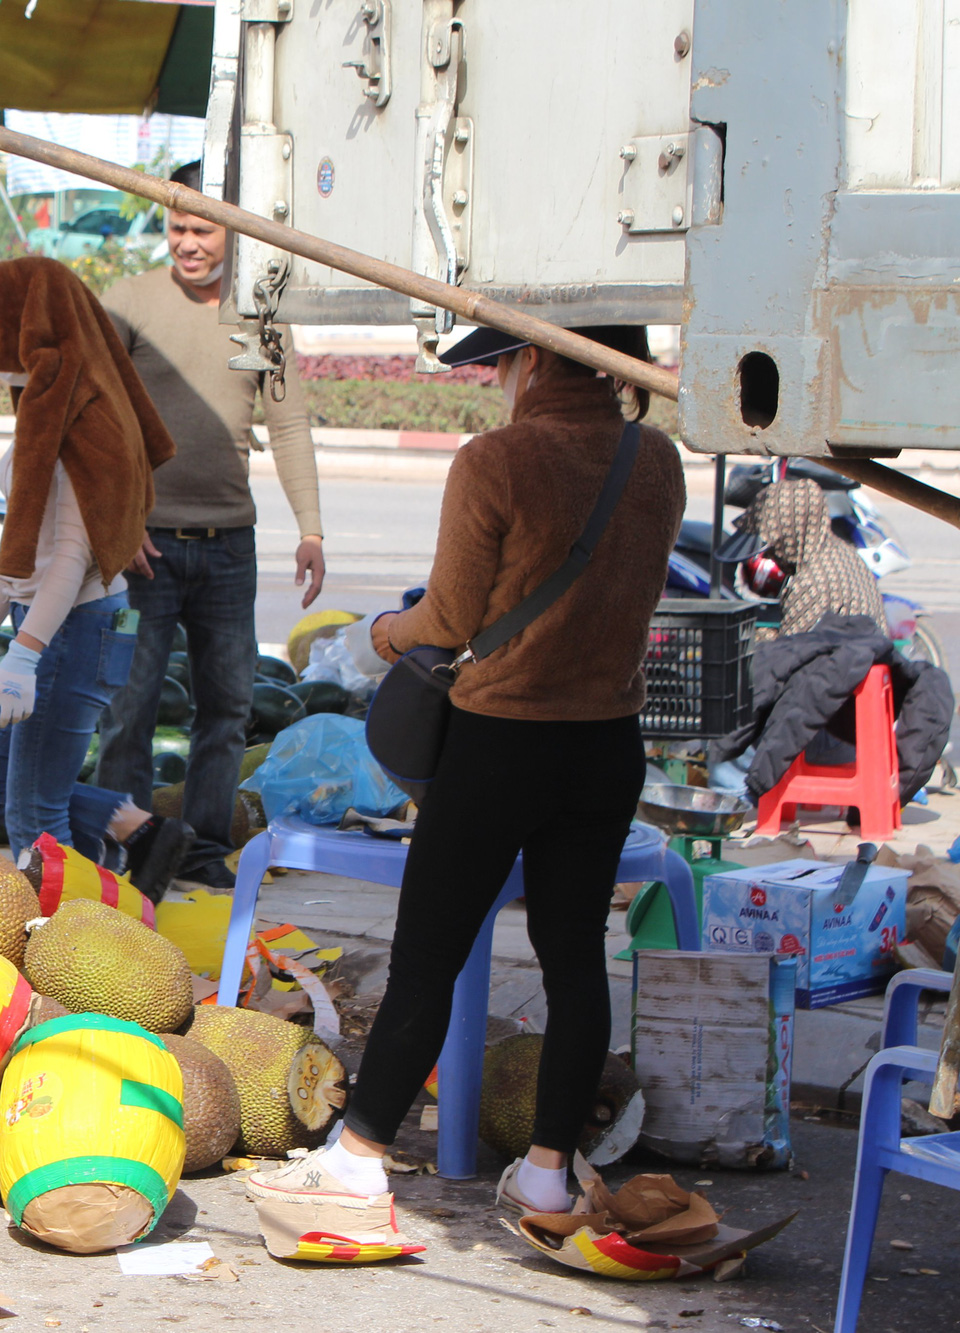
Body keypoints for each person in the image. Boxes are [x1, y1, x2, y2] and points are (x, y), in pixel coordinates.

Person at [250, 325, 684, 1230]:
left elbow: (444, 618)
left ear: (537, 361)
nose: (495, 378)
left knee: (429, 956)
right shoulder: (657, 460)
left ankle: (361, 1160)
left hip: (500, 746)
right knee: (575, 965)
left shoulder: (497, 460)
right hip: (606, 744)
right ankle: (546, 1176)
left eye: (501, 362)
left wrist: (383, 635)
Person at [96, 160, 326, 889]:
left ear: (236, 231)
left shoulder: (262, 316)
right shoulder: (127, 303)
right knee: (126, 710)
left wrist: (311, 528)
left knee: (225, 710)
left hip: (230, 546)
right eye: (176, 226)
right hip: (145, 548)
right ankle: (127, 846)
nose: (187, 243)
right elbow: (97, 418)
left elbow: (289, 428)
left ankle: (197, 848)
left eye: (202, 229)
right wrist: (120, 519)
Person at [0, 256, 196, 899]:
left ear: (39, 323)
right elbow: (22, 543)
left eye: (2, 326)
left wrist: (24, 654)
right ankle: (134, 831)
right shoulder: (44, 403)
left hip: (73, 629)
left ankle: (70, 953)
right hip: (50, 626)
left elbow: (70, 555)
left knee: (34, 819)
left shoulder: (81, 414)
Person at [744, 477, 884, 636]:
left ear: (791, 534)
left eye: (775, 543)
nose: (769, 555)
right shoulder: (841, 551)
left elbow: (792, 651)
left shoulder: (811, 582)